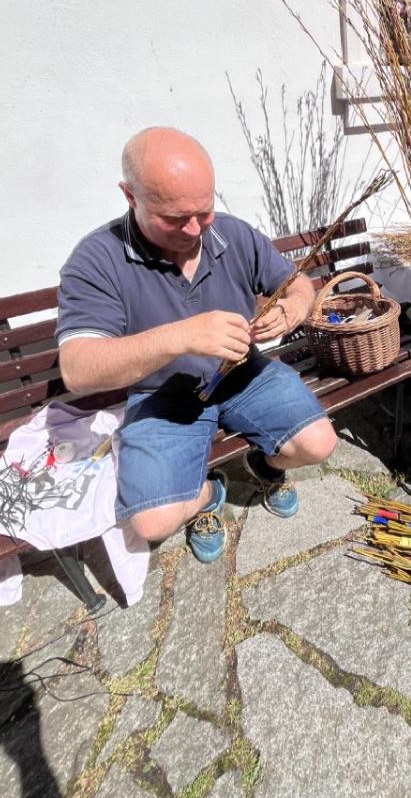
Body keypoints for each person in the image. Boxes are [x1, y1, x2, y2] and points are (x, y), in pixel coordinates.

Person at [55, 127, 337, 562]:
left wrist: (292, 309)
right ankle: (208, 494)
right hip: (163, 395)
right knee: (152, 523)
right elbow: (77, 369)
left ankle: (263, 466)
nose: (193, 229)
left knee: (319, 444)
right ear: (130, 196)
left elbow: (298, 284)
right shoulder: (97, 260)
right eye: (175, 218)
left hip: (244, 374)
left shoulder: (232, 234)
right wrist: (179, 336)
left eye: (203, 211)